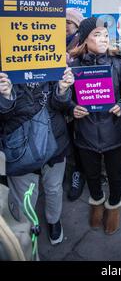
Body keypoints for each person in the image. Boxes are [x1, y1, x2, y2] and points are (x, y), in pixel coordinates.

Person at [69, 17, 121, 234]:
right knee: (92, 176)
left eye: (106, 35)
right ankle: (96, 202)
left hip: (114, 134)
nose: (103, 39)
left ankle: (114, 207)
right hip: (86, 136)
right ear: (85, 39)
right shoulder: (74, 67)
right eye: (97, 35)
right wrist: (72, 107)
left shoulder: (118, 64)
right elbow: (62, 99)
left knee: (116, 176)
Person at [0, 69, 74, 246]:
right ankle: (27, 227)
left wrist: (62, 90)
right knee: (25, 195)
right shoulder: (4, 73)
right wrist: (6, 96)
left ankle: (54, 220)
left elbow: (61, 105)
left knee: (54, 188)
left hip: (54, 140)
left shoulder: (52, 63)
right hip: (20, 147)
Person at [64, 8, 86, 202]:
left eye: (68, 23)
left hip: (79, 101)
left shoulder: (82, 43)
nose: (64, 27)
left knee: (79, 140)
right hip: (62, 100)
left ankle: (80, 172)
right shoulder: (55, 42)